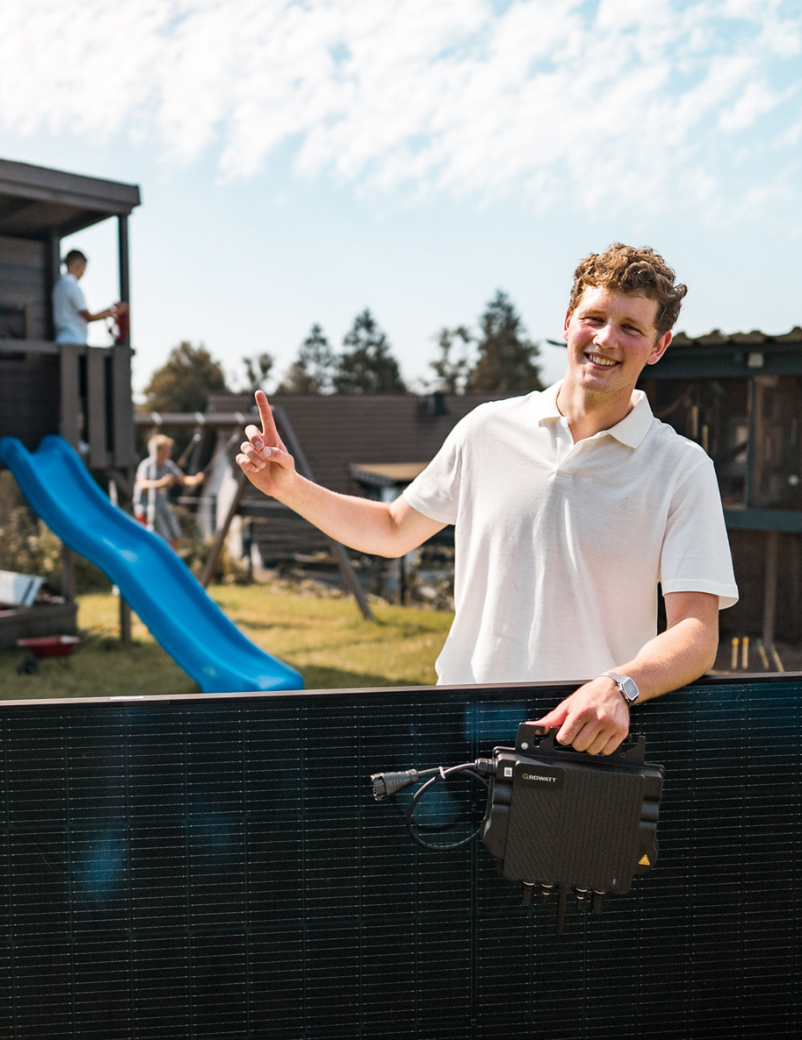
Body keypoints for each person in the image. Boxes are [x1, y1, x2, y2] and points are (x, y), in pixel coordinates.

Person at [237, 244, 737, 756]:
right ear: (568, 323)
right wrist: (289, 488)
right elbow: (391, 529)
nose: (607, 338)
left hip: (585, 734)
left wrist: (620, 686)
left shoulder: (681, 467)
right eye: (595, 318)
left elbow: (696, 633)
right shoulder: (485, 429)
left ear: (658, 346)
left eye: (631, 328)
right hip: (461, 722)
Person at [134, 434, 205, 550]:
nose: (169, 452)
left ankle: (174, 559)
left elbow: (183, 480)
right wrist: (161, 483)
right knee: (163, 538)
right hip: (148, 509)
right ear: (158, 450)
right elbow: (142, 484)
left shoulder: (168, 465)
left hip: (163, 506)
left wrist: (196, 480)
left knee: (175, 535)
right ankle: (163, 560)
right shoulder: (146, 465)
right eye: (167, 449)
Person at [52, 249, 124, 344]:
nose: (83, 273)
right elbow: (88, 317)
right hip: (74, 340)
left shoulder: (59, 285)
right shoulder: (72, 286)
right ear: (79, 265)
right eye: (84, 269)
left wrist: (107, 312)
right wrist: (111, 313)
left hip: (62, 338)